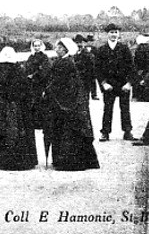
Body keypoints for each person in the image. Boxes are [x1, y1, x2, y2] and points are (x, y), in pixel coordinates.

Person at [0, 46, 38, 170]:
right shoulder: (11, 68)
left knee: (9, 132)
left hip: (8, 105)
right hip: (8, 105)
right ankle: (9, 160)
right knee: (10, 132)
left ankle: (5, 160)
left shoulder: (10, 68)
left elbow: (24, 87)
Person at [43, 37, 100, 171]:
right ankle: (68, 160)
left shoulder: (65, 63)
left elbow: (59, 83)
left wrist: (48, 91)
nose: (56, 49)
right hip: (66, 102)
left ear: (64, 49)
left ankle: (68, 162)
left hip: (66, 104)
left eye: (58, 47)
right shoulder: (65, 61)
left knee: (66, 133)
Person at [94, 23, 136, 141]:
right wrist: (103, 83)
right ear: (107, 34)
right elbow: (97, 69)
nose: (114, 35)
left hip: (123, 85)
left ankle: (127, 131)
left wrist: (129, 83)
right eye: (111, 32)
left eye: (116, 32)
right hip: (109, 85)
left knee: (125, 108)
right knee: (107, 108)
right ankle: (105, 133)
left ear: (119, 34)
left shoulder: (124, 48)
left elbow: (131, 67)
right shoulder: (101, 50)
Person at [24, 39, 52, 130]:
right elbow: (27, 67)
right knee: (32, 102)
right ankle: (33, 122)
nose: (37, 48)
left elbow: (44, 70)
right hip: (31, 83)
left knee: (40, 102)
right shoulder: (31, 57)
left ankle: (40, 123)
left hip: (40, 83)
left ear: (41, 46)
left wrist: (33, 75)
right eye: (35, 46)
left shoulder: (44, 57)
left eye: (38, 46)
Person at [73, 34, 98, 101]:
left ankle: (93, 94)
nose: (78, 44)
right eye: (77, 42)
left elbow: (89, 64)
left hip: (86, 76)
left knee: (84, 97)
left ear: (83, 43)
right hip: (78, 77)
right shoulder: (75, 52)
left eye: (80, 42)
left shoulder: (86, 53)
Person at [132, 34, 149, 102]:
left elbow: (137, 59)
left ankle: (138, 96)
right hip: (146, 67)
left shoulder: (139, 47)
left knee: (140, 81)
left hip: (141, 68)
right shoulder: (148, 48)